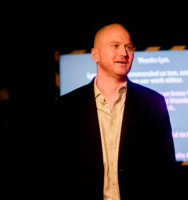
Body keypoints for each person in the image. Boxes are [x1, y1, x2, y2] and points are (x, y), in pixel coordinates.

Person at [52, 23, 176, 200]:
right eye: (115, 46)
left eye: (129, 47)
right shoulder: (67, 106)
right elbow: (59, 168)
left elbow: (165, 169)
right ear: (95, 54)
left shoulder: (152, 103)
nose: (124, 53)